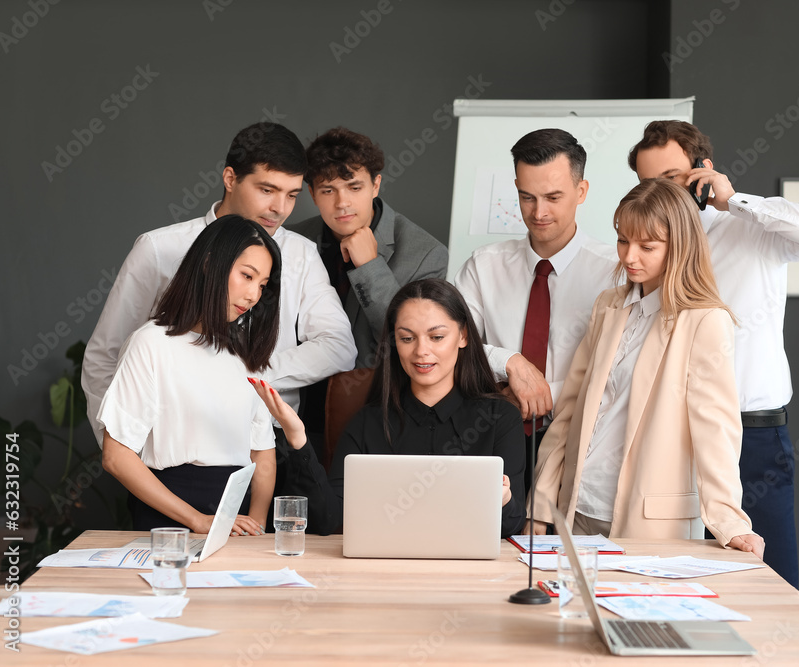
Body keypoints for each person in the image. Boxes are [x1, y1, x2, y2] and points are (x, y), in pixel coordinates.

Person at [628, 120, 799, 585]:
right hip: (670, 434)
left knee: (767, 577)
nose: (660, 192)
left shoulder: (751, 230)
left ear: (702, 169)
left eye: (670, 178)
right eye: (648, 184)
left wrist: (733, 200)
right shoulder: (644, 251)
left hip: (752, 438)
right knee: (672, 574)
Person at [528, 179, 763, 558]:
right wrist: (541, 501)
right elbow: (570, 410)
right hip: (578, 506)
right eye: (623, 241)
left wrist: (729, 520)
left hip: (650, 520)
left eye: (647, 246)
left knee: (641, 618)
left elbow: (715, 428)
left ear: (679, 247)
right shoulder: (608, 305)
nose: (629, 257)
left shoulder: (705, 321)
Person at [83, 122, 356, 447]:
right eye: (267, 190)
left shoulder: (301, 254)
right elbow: (105, 354)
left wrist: (254, 374)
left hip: (270, 445)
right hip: (173, 449)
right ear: (230, 179)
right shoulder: (159, 249)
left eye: (292, 195)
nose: (279, 209)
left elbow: (339, 346)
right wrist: (123, 452)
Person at [253, 279, 526, 537]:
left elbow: (511, 526)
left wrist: (502, 500)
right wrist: (298, 438)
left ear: (463, 336)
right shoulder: (367, 422)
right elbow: (329, 519)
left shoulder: (500, 418)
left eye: (437, 337)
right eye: (407, 338)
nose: (421, 351)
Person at [454, 129, 617, 490]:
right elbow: (448, 342)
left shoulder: (616, 272)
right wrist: (509, 362)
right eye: (526, 197)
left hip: (585, 444)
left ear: (582, 191)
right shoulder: (484, 266)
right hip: (493, 439)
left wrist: (542, 393)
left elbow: (621, 370)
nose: (538, 212)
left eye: (553, 197)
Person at [100, 216, 280, 534]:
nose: (253, 295)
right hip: (167, 516)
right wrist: (197, 520)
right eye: (247, 276)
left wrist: (258, 524)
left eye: (262, 286)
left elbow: (262, 453)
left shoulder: (246, 354)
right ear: (210, 264)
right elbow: (117, 457)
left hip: (233, 518)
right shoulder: (151, 343)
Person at [289, 127, 448, 368]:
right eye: (328, 190)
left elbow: (410, 341)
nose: (342, 203)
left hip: (373, 397)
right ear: (312, 194)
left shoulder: (426, 254)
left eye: (354, 187)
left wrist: (370, 268)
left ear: (375, 185)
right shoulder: (292, 240)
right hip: (298, 390)